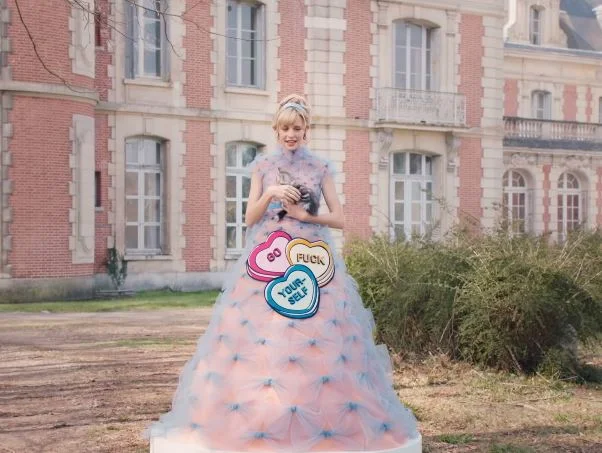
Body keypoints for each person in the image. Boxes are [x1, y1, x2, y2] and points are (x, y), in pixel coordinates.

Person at [148, 95, 422, 452]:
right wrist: (272, 193)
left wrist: (307, 216)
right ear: (276, 131)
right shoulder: (263, 166)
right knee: (259, 335)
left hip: (311, 259)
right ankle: (262, 415)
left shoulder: (321, 168)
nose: (291, 134)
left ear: (306, 130)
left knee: (320, 334)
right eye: (285, 128)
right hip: (270, 257)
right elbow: (249, 218)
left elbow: (340, 218)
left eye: (297, 128)